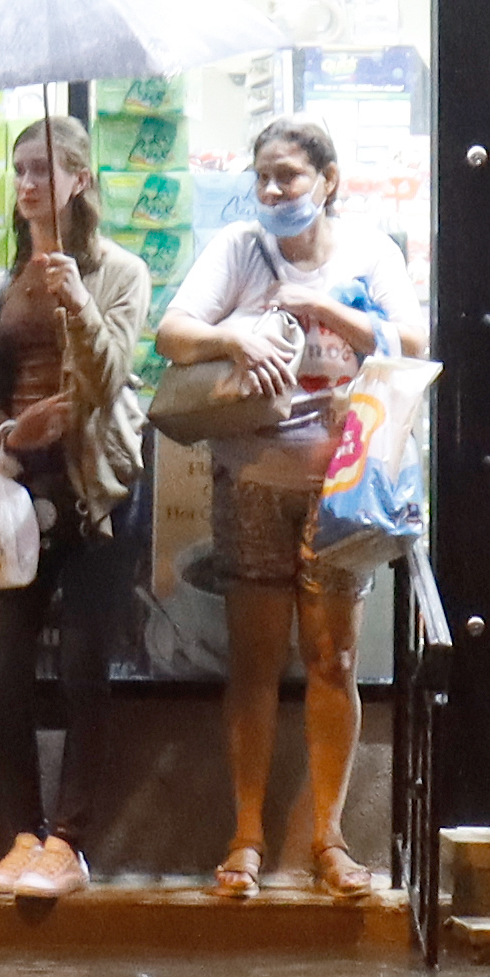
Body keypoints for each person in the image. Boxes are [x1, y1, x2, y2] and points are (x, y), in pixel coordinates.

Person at [161, 116, 401, 896]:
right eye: (263, 177)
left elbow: (417, 337)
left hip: (344, 489)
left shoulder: (370, 253)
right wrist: (236, 340)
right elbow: (172, 333)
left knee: (333, 661)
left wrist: (328, 312)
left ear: (328, 180)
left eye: (289, 177)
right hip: (252, 479)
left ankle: (329, 839)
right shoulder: (236, 248)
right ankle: (246, 837)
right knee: (255, 663)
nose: (272, 192)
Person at [0, 111, 160, 896]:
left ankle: (68, 842)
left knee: (82, 666)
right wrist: (8, 429)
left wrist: (77, 302)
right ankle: (21, 834)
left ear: (80, 179)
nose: (29, 182)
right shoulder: (2, 284)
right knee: (2, 670)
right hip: (17, 496)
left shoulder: (119, 274)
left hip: (96, 493)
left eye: (44, 168)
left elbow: (106, 383)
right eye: (20, 169)